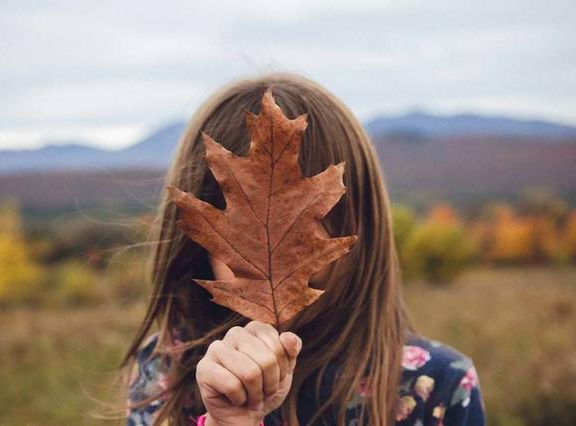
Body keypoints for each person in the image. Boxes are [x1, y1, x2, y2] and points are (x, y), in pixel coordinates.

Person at [122, 73, 485, 426]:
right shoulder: (166, 371)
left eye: (302, 225)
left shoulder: (435, 386)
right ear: (196, 239)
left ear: (358, 227)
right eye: (241, 232)